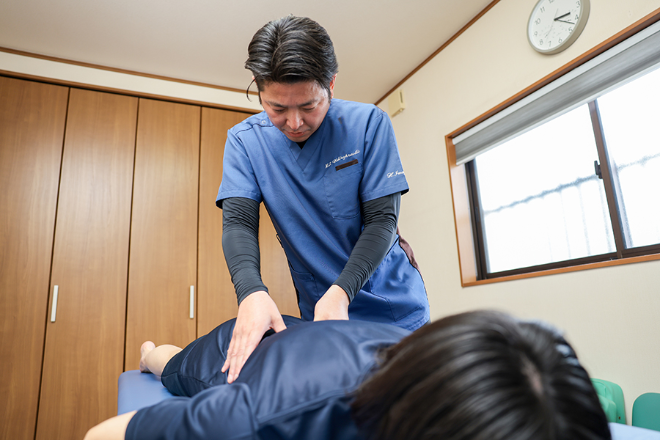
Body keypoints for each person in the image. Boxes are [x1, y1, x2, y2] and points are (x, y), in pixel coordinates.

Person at [218, 15, 430, 384]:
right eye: (277, 109)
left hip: (389, 299)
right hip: (321, 306)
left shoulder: (368, 123)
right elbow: (238, 223)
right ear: (259, 90)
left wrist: (342, 292)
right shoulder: (244, 141)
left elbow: (382, 220)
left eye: (308, 106)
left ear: (331, 84)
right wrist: (250, 292)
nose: (294, 123)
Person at [84, 310, 611, 440]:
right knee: (172, 366)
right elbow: (101, 435)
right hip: (248, 353)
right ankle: (153, 353)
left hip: (327, 339)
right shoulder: (264, 416)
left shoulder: (552, 413)